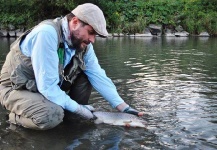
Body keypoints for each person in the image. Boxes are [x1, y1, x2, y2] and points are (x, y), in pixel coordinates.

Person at [0, 3, 143, 130]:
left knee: (87, 75)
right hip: (15, 89)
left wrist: (123, 107)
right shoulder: (46, 33)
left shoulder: (83, 44)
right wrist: (80, 109)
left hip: (43, 89)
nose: (92, 40)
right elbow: (48, 87)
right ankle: (16, 118)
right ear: (74, 22)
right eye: (91, 32)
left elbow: (98, 74)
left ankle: (69, 115)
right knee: (50, 115)